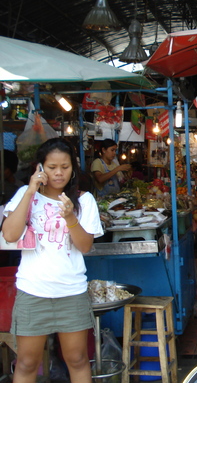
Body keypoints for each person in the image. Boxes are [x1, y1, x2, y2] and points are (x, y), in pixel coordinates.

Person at [1, 138, 104, 383]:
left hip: (71, 292)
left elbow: (85, 246)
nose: (58, 173)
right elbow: (10, 234)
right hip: (32, 291)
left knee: (78, 359)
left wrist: (70, 217)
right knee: (26, 362)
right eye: (51, 167)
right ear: (40, 168)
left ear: (73, 168)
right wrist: (29, 191)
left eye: (65, 167)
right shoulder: (25, 196)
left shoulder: (83, 200)